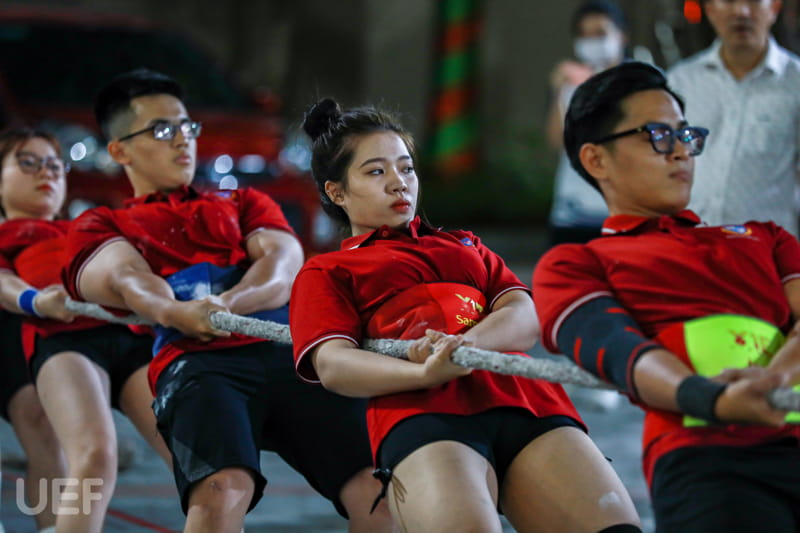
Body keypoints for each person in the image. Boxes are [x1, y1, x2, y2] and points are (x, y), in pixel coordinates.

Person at [289, 98, 642, 533]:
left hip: (527, 402)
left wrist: (464, 347)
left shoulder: (465, 245)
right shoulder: (327, 271)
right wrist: (424, 374)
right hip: (421, 415)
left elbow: (524, 316)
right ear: (337, 192)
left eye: (407, 168)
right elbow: (333, 364)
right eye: (376, 172)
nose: (399, 183)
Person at [62, 69, 392, 533]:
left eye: (186, 126)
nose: (183, 139)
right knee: (222, 491)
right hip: (199, 364)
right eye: (162, 130)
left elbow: (281, 263)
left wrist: (229, 304)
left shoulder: (242, 201)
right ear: (119, 151)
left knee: (380, 496)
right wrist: (175, 313)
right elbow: (126, 278)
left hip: (290, 350)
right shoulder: (101, 224)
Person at [533, 61, 800, 533]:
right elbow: (619, 350)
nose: (681, 152)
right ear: (596, 160)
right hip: (710, 461)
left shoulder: (766, 237)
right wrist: (710, 399)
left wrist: (773, 380)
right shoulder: (574, 264)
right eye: (658, 135)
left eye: (685, 135)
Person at [0, 127, 171, 533]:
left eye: (54, 165)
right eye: (28, 162)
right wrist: (34, 301)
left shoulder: (87, 228)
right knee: (45, 424)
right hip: (27, 329)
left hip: (113, 332)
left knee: (190, 441)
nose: (46, 172)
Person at [667, 0, 800, 236]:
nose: (741, 11)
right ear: (710, 10)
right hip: (689, 242)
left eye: (753, 1)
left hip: (764, 248)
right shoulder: (681, 81)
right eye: (728, 1)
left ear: (774, 8)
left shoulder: (795, 82)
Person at [545, 0, 628, 245]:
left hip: (623, 213)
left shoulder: (639, 83)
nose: (591, 41)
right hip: (572, 214)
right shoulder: (572, 84)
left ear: (622, 36)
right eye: (584, 34)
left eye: (600, 33)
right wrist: (558, 92)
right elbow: (556, 141)